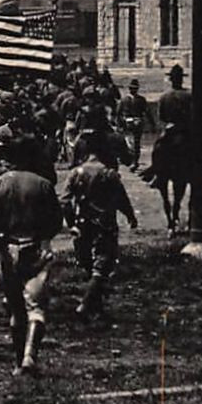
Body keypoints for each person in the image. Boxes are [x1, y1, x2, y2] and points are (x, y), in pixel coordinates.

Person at [0, 136, 63, 375]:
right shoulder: (43, 184)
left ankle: (18, 361)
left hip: (9, 249)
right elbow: (56, 219)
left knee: (16, 309)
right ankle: (30, 355)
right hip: (36, 247)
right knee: (36, 306)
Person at [62, 130, 138, 320]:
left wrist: (71, 222)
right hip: (105, 223)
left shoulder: (75, 173)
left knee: (88, 262)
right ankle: (87, 303)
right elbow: (122, 198)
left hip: (82, 222)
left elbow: (64, 201)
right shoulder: (109, 174)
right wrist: (130, 216)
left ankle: (96, 304)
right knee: (103, 264)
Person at [116, 79, 152, 171]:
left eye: (134, 88)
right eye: (132, 88)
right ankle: (133, 161)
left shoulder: (129, 100)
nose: (133, 90)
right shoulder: (129, 100)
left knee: (134, 142)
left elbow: (147, 112)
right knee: (132, 142)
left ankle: (134, 161)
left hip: (134, 122)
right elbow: (119, 113)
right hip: (131, 122)